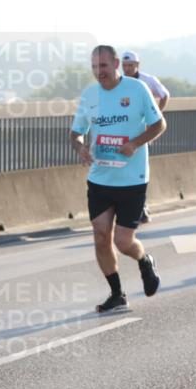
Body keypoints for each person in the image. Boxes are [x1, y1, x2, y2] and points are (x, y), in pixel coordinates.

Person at [71, 45, 166, 313]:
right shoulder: (90, 95)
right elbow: (76, 132)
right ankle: (117, 294)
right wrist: (80, 147)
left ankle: (144, 260)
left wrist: (135, 143)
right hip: (100, 177)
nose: (98, 72)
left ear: (115, 64)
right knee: (101, 235)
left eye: (102, 66)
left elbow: (159, 124)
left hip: (132, 178)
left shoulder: (137, 90)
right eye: (94, 67)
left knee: (123, 241)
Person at [120, 51, 170, 223]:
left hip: (144, 131)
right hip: (125, 131)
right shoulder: (119, 82)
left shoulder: (148, 80)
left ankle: (141, 206)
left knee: (140, 169)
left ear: (137, 65)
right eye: (124, 66)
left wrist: (154, 117)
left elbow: (164, 95)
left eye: (130, 65)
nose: (127, 69)